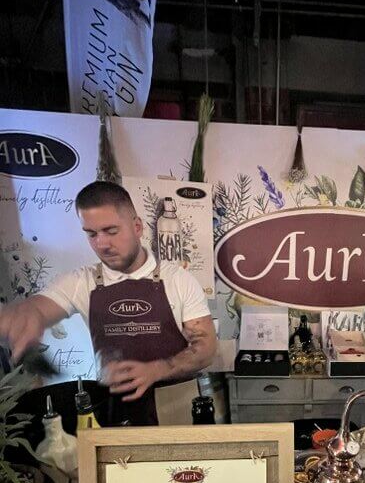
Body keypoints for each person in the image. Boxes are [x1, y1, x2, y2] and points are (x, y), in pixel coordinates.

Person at [0, 181, 217, 424]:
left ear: (137, 227)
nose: (102, 244)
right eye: (91, 234)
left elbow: (206, 348)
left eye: (111, 231)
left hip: (176, 409)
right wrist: (25, 314)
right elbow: (39, 307)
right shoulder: (82, 281)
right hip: (116, 412)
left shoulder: (178, 279)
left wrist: (158, 369)